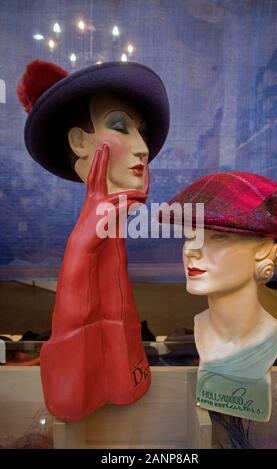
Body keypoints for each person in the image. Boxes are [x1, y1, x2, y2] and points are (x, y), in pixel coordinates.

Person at [17, 60, 169, 421]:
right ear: (79, 142)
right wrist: (80, 250)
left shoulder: (112, 227)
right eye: (120, 126)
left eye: (142, 131)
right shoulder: (93, 234)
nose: (144, 148)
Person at [161, 171, 277, 422]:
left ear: (264, 248)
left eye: (218, 237)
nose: (190, 251)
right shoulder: (201, 326)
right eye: (190, 237)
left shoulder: (271, 336)